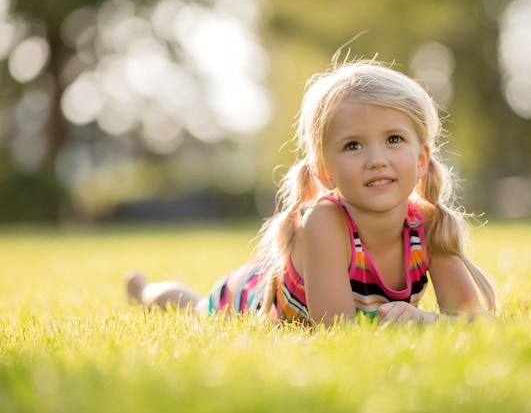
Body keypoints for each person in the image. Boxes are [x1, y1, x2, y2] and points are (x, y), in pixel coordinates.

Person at [126, 59, 496, 326]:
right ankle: (143, 291)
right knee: (192, 308)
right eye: (353, 145)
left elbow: (474, 321)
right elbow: (336, 329)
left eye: (394, 139)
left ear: (421, 159)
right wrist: (423, 327)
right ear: (325, 170)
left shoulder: (427, 227)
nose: (376, 159)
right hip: (248, 299)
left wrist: (426, 321)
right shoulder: (324, 221)